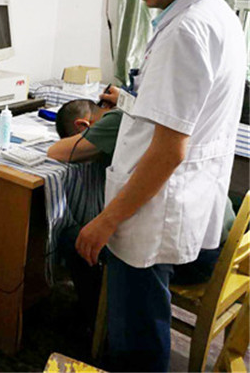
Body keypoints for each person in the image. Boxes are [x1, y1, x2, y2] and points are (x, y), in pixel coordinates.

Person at [73, 0, 247, 371]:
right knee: (140, 330)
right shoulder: (219, 16)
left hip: (152, 216)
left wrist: (106, 221)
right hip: (187, 207)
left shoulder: (184, 31)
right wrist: (130, 101)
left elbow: (170, 150)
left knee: (139, 348)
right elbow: (186, 113)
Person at [47, 98, 235, 332]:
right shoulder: (144, 112)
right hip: (219, 243)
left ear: (83, 126)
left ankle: (98, 323)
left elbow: (57, 151)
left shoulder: (117, 121)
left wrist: (105, 222)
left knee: (76, 238)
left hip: (193, 257)